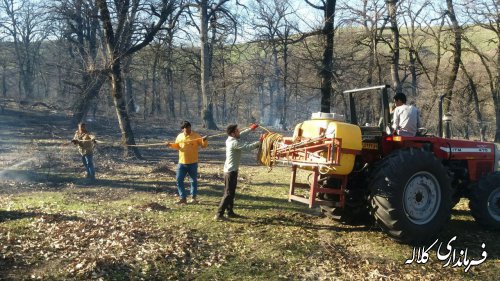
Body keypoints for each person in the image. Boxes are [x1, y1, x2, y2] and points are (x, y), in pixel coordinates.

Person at [214, 123, 262, 221]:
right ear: (232, 133)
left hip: (231, 170)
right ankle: (219, 214)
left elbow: (242, 134)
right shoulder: (234, 143)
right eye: (237, 131)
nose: (239, 131)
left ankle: (230, 212)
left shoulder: (232, 139)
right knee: (228, 193)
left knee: (231, 193)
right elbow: (247, 148)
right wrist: (260, 142)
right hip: (230, 171)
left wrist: (250, 129)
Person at [166, 121, 208, 204]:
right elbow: (177, 146)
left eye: (189, 127)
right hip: (181, 163)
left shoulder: (196, 136)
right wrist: (170, 145)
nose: (188, 129)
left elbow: (203, 146)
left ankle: (193, 198)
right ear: (182, 129)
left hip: (193, 163)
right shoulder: (179, 137)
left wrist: (204, 140)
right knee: (179, 180)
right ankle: (183, 198)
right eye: (186, 128)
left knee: (193, 180)